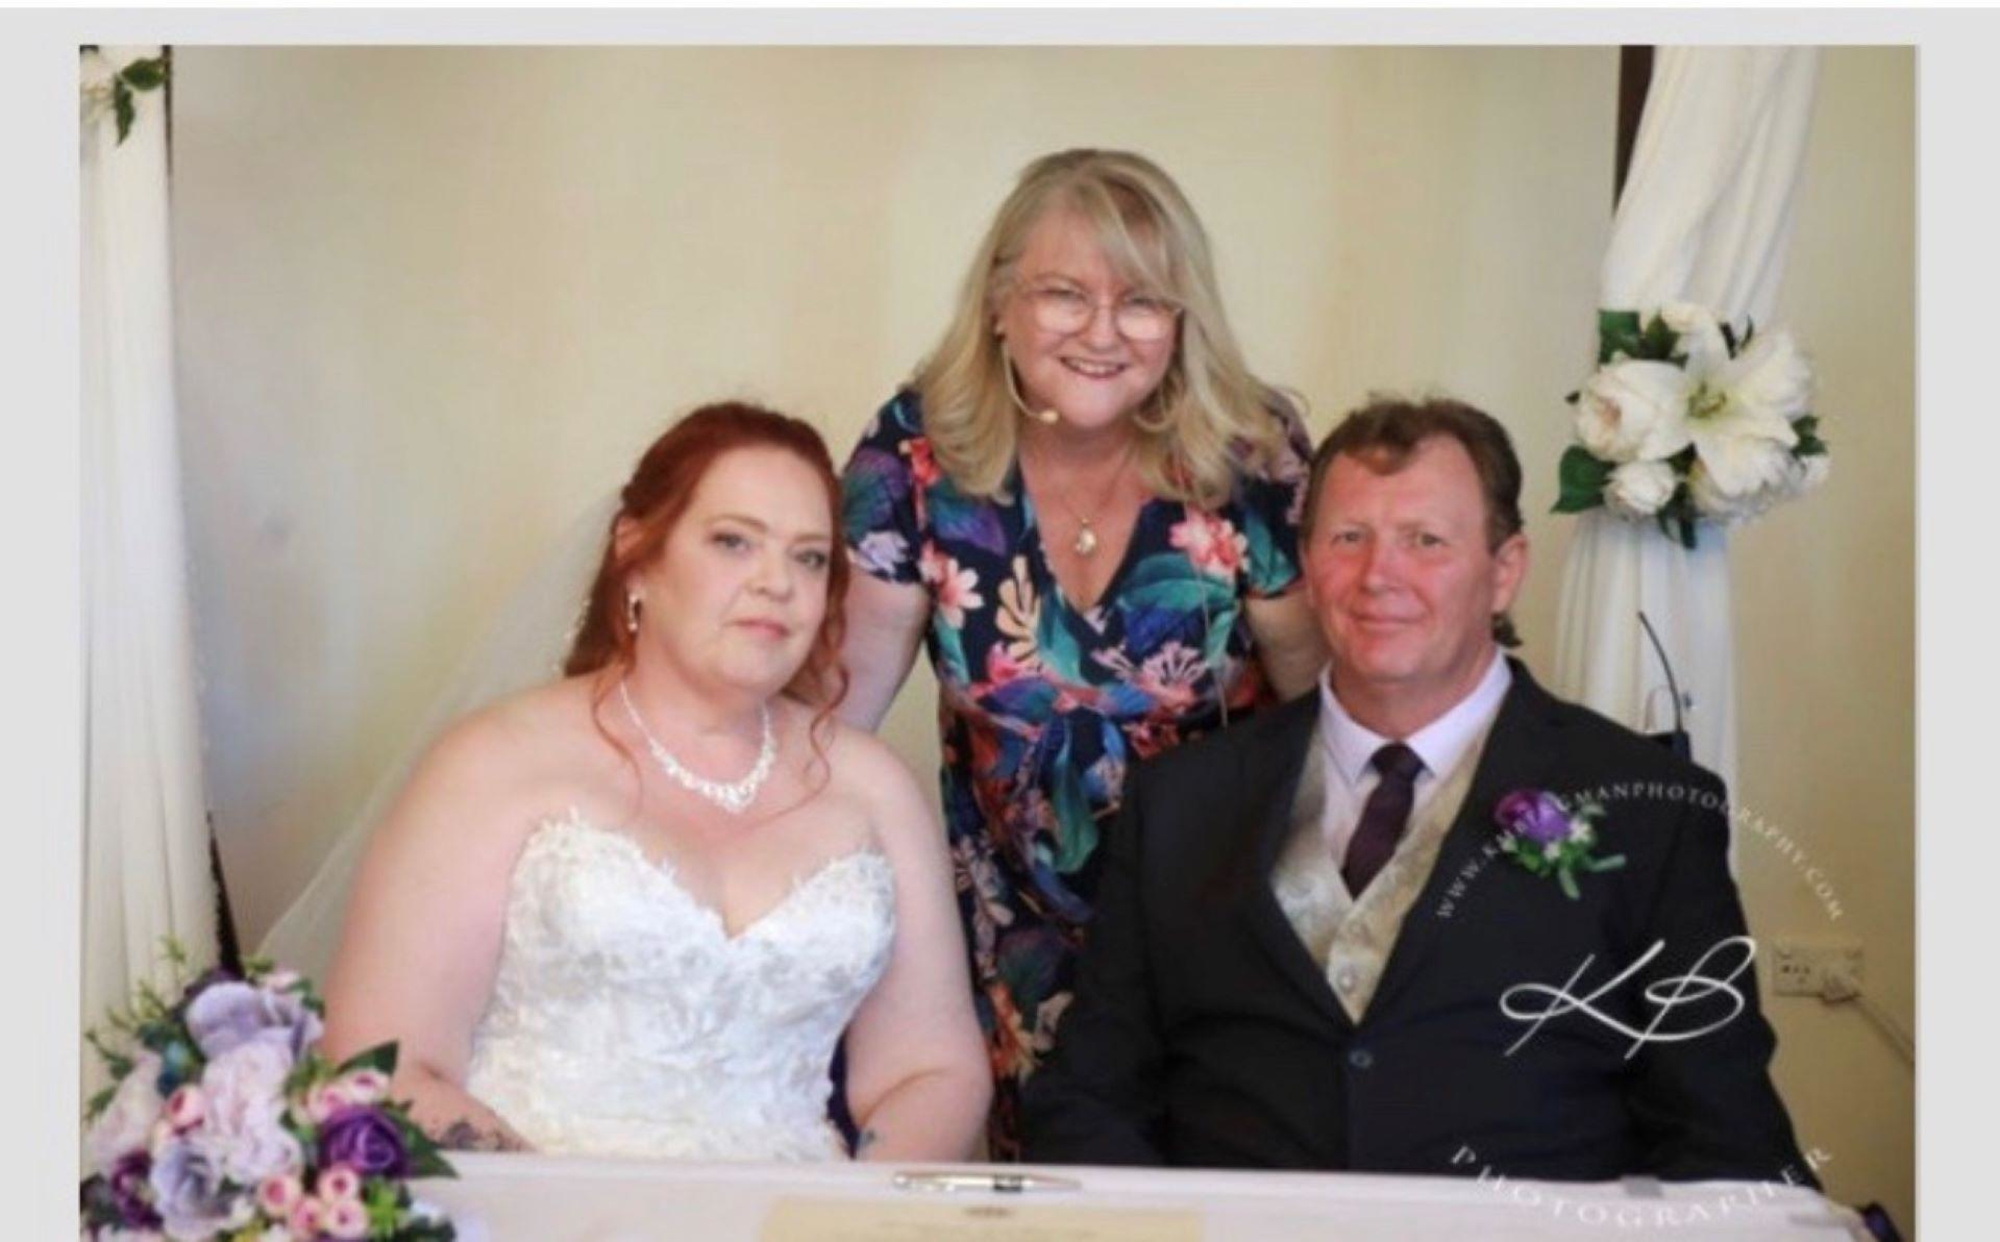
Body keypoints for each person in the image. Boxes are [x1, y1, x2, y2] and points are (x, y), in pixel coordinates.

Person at [1021, 396, 1813, 1183]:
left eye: (1425, 541)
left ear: (1504, 572)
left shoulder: (1652, 813)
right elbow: (1091, 1100)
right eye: (1349, 538)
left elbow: (1725, 1137)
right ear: (1307, 566)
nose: (1379, 576)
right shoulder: (1180, 801)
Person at [322, 403, 990, 1162]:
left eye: (808, 558)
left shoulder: (874, 788)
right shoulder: (495, 761)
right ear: (636, 556)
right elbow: (383, 1067)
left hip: (799, 1208)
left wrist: (853, 1209)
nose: (777, 582)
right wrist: (569, 1211)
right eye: (734, 542)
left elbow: (932, 1069)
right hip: (540, 1206)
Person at [837, 149, 1329, 1156]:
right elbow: (838, 714)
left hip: (1219, 923)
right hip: (1008, 934)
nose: (1102, 333)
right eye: (1064, 294)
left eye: (1141, 302)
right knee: (1054, 1204)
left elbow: (1324, 713)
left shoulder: (1248, 449)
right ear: (997, 304)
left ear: (1181, 321)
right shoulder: (918, 451)